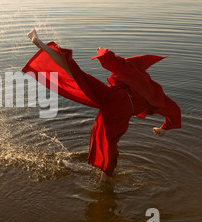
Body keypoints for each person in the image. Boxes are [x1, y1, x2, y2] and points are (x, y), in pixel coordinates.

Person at [23, 29, 181, 181]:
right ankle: (105, 178)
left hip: (111, 96)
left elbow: (111, 61)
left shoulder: (132, 71)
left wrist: (101, 51)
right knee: (110, 144)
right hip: (120, 112)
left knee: (75, 72)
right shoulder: (156, 93)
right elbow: (174, 110)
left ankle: (40, 44)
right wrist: (163, 128)